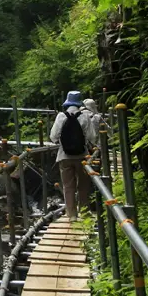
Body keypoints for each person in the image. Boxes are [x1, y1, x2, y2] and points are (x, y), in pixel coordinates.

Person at [50, 90, 98, 221]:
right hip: (82, 156)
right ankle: (85, 212)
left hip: (64, 156)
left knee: (68, 186)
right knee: (83, 185)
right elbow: (92, 137)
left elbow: (53, 137)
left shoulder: (61, 116)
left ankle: (71, 215)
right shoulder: (84, 117)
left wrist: (60, 142)